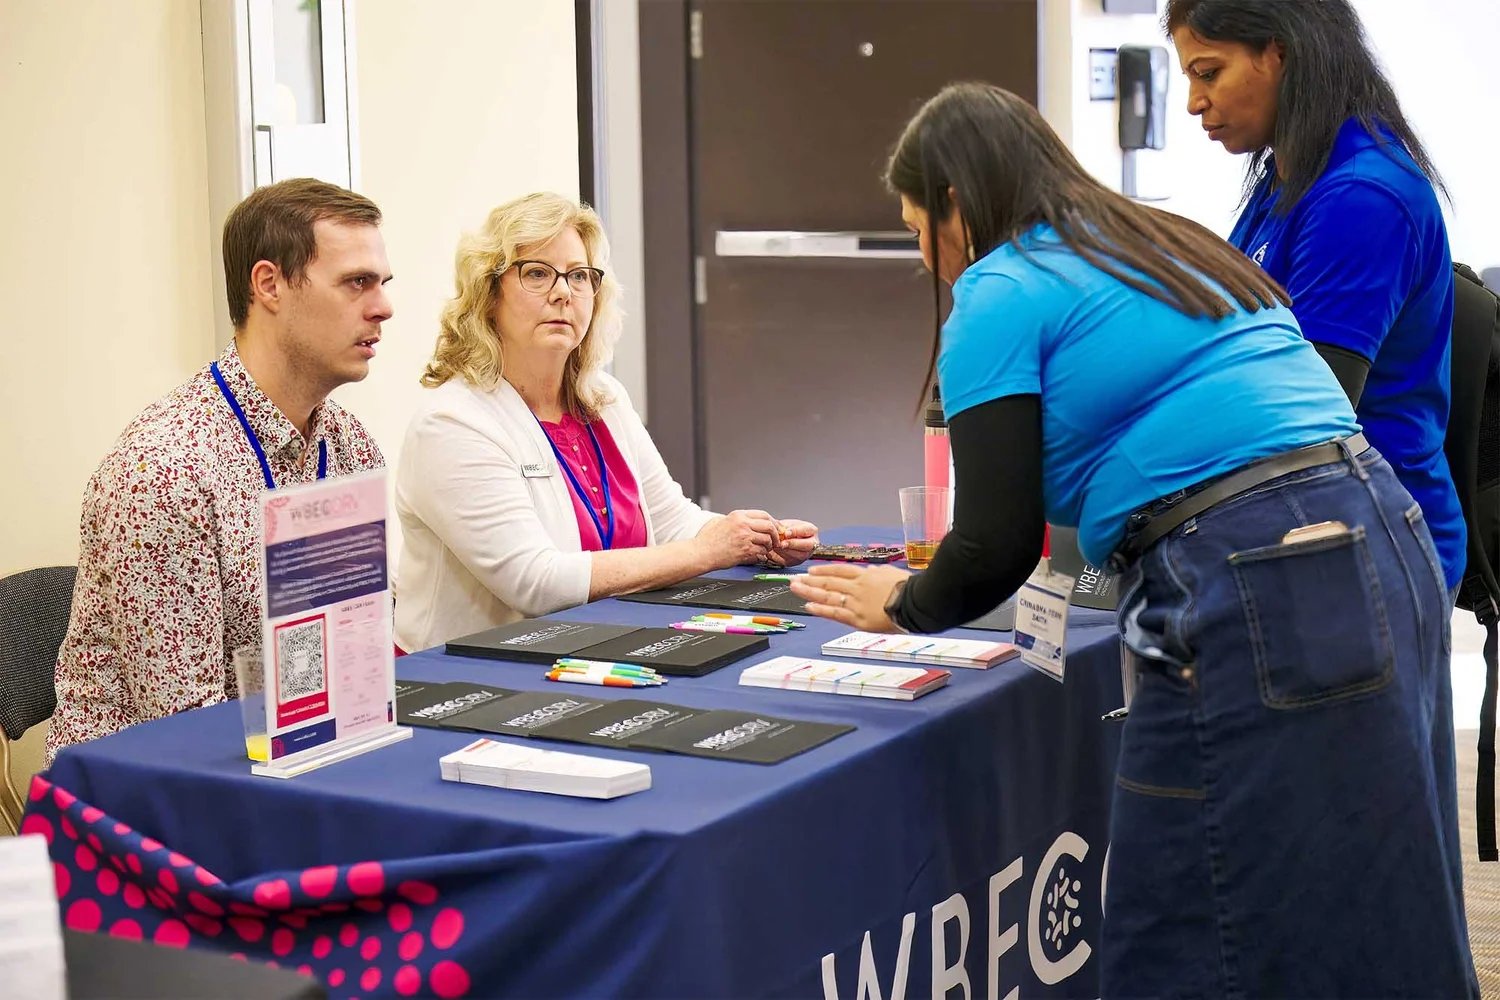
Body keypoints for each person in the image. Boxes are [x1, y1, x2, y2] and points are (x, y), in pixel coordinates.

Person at [789, 83, 1477, 997]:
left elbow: (992, 543)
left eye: (921, 227)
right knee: (1378, 881)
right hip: (1384, 532)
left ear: (954, 202)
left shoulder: (999, 288)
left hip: (1253, 569)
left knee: (1191, 904)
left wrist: (904, 605)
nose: (928, 257)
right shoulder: (1162, 244)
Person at [47, 178, 393, 761]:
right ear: (269, 285)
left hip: (303, 759)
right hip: (146, 804)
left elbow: (358, 657)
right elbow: (188, 733)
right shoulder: (163, 472)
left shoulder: (351, 447)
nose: (383, 306)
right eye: (356, 282)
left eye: (382, 283)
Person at [393, 192, 816, 653]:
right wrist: (709, 550)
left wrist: (756, 539)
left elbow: (673, 521)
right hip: (468, 681)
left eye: (578, 276)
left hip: (600, 652)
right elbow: (536, 583)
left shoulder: (604, 399)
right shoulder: (453, 423)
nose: (562, 292)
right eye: (537, 273)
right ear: (488, 294)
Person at [1167, 0, 1467, 595]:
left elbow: (1304, 419)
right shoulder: (1293, 176)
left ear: (1280, 50)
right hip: (1303, 529)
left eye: (1209, 73)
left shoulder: (1360, 196)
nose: (1195, 102)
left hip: (1367, 554)